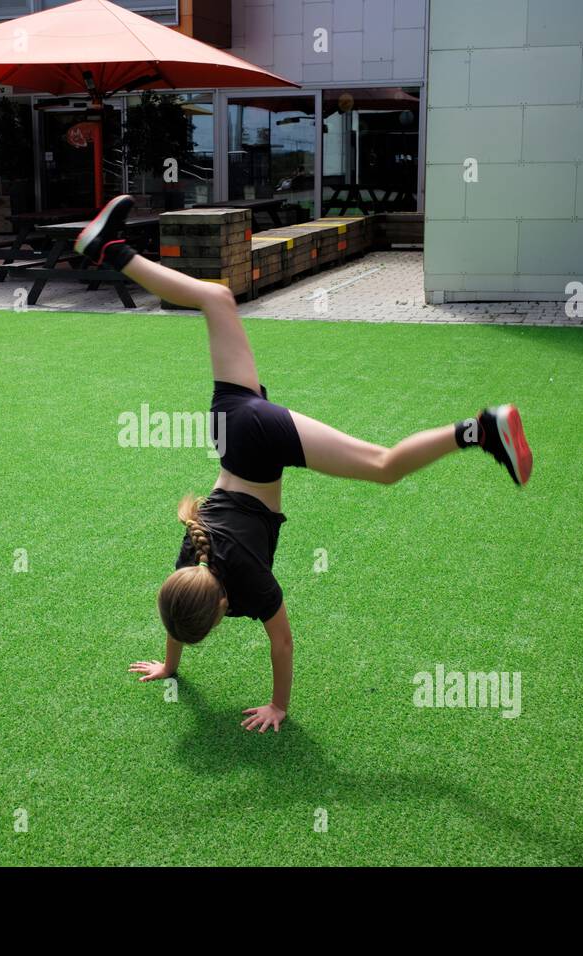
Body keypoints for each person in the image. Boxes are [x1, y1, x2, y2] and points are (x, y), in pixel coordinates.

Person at [75, 196, 533, 733]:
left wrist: (278, 708)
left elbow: (283, 643)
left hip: (260, 443)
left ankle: (482, 429)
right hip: (231, 429)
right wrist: (169, 665)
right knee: (217, 298)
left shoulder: (246, 584)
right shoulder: (189, 563)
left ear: (223, 608)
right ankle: (112, 250)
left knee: (384, 466)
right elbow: (176, 614)